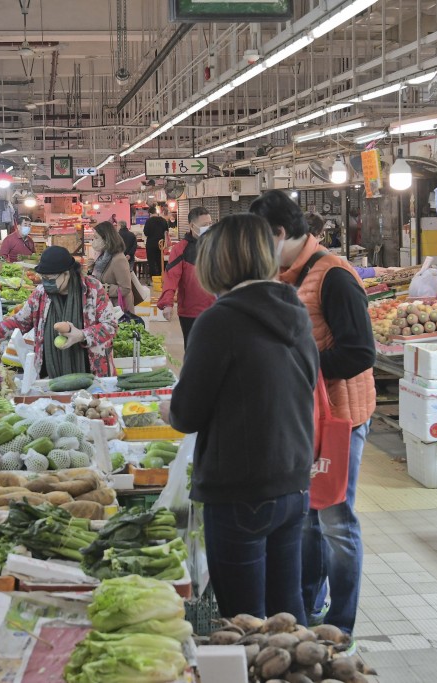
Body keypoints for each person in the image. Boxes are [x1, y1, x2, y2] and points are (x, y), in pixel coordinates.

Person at [164, 213, 317, 621]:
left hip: (238, 490)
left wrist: (170, 407)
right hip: (293, 482)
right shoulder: (295, 311)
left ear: (218, 262)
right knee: (287, 613)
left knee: (244, 620)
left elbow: (187, 413)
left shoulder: (219, 320)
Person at [251, 189, 376, 647]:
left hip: (341, 421)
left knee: (337, 523)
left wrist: (296, 363)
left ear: (280, 233)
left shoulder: (334, 277)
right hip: (307, 420)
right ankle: (306, 610)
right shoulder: (286, 274)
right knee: (307, 520)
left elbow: (361, 353)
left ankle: (341, 625)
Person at [0, 246, 117, 378]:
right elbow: (19, 322)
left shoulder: (92, 289)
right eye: (43, 278)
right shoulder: (41, 294)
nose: (45, 282)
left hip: (92, 374)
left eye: (50, 279)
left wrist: (82, 335)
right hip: (49, 376)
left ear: (66, 274)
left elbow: (110, 325)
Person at [158, 207, 216, 345]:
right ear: (192, 226)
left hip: (217, 309)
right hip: (191, 313)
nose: (208, 228)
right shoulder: (180, 249)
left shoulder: (218, 245)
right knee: (193, 352)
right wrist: (167, 303)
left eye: (210, 224)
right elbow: (171, 277)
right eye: (204, 225)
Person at [90, 221, 134, 311]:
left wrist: (101, 288)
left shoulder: (118, 259)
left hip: (118, 308)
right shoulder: (102, 257)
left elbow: (125, 288)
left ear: (106, 239)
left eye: (96, 238)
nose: (94, 241)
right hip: (107, 306)